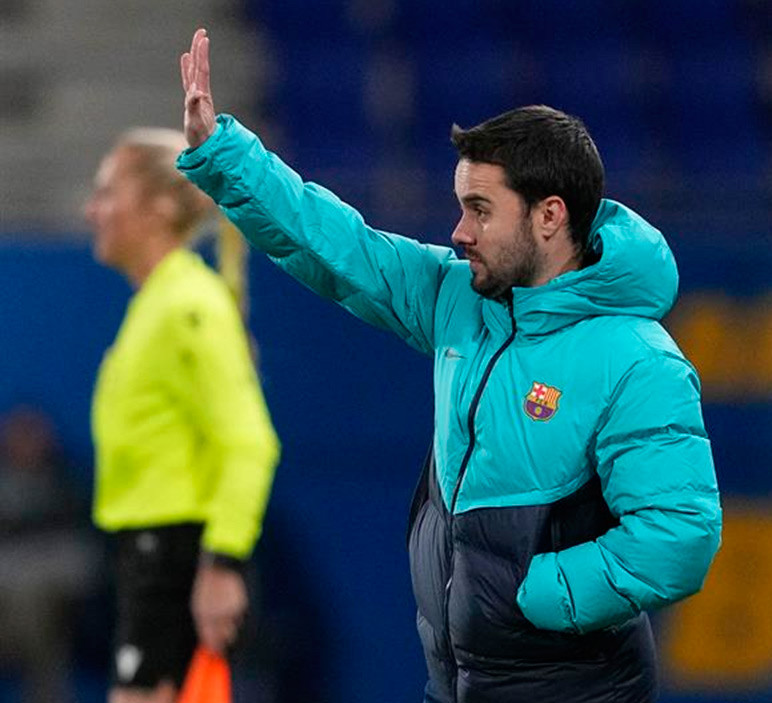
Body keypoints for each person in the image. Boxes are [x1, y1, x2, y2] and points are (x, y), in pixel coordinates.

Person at [178, 28, 721, 703]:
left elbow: (679, 536)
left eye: (479, 209)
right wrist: (223, 155)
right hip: (459, 683)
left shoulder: (637, 361)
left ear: (550, 216)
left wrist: (534, 596)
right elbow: (339, 247)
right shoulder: (460, 295)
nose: (459, 231)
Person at [85, 119, 280, 703]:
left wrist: (221, 568)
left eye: (108, 192)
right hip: (152, 557)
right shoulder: (162, 302)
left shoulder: (186, 305)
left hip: (177, 560)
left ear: (161, 209)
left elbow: (249, 442)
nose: (92, 210)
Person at [0, 404, 99, 703]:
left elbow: (84, 559)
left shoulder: (68, 487)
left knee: (42, 623)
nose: (26, 443)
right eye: (18, 434)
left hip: (50, 615)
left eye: (33, 434)